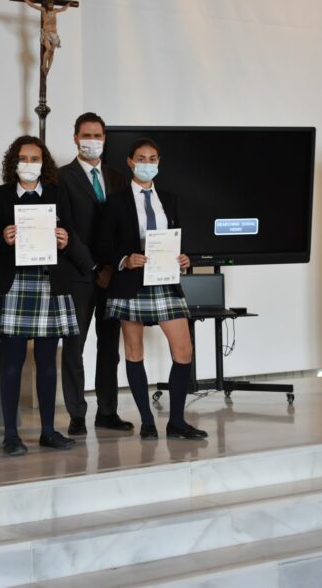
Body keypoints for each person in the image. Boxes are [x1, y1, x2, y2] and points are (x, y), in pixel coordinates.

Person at [0, 135, 85, 456]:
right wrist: (3, 239)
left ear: (44, 163)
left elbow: (69, 235)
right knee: (11, 363)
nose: (29, 164)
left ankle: (48, 431)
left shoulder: (57, 193)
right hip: (13, 284)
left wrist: (66, 241)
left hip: (49, 282)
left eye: (35, 158)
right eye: (23, 159)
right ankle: (11, 434)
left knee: (47, 363)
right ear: (14, 163)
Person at [100, 138, 207, 441]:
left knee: (184, 350)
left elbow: (176, 240)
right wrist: (124, 259)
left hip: (164, 281)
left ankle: (176, 422)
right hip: (131, 282)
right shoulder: (116, 201)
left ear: (159, 162)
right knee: (135, 352)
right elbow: (103, 245)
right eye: (142, 158)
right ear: (131, 162)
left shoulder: (169, 199)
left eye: (153, 158)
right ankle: (147, 422)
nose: (148, 163)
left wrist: (185, 258)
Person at [57, 112, 131, 436]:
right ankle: (76, 414)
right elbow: (66, 229)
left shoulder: (117, 178)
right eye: (86, 135)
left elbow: (125, 227)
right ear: (75, 138)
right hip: (78, 273)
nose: (93, 141)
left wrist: (113, 267)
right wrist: (92, 266)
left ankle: (107, 412)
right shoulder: (61, 178)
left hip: (113, 275)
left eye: (98, 135)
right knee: (74, 346)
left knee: (109, 347)